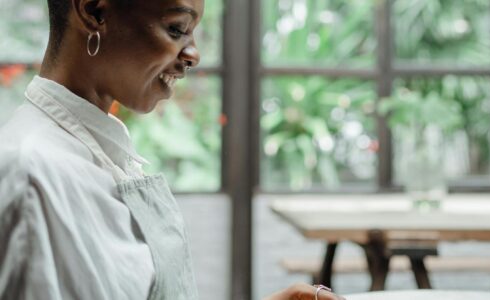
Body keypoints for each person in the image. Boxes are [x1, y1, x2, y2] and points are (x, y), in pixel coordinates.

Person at [0, 0, 345, 299]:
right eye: (177, 29)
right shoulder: (34, 174)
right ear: (93, 11)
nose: (193, 55)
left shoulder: (98, 148)